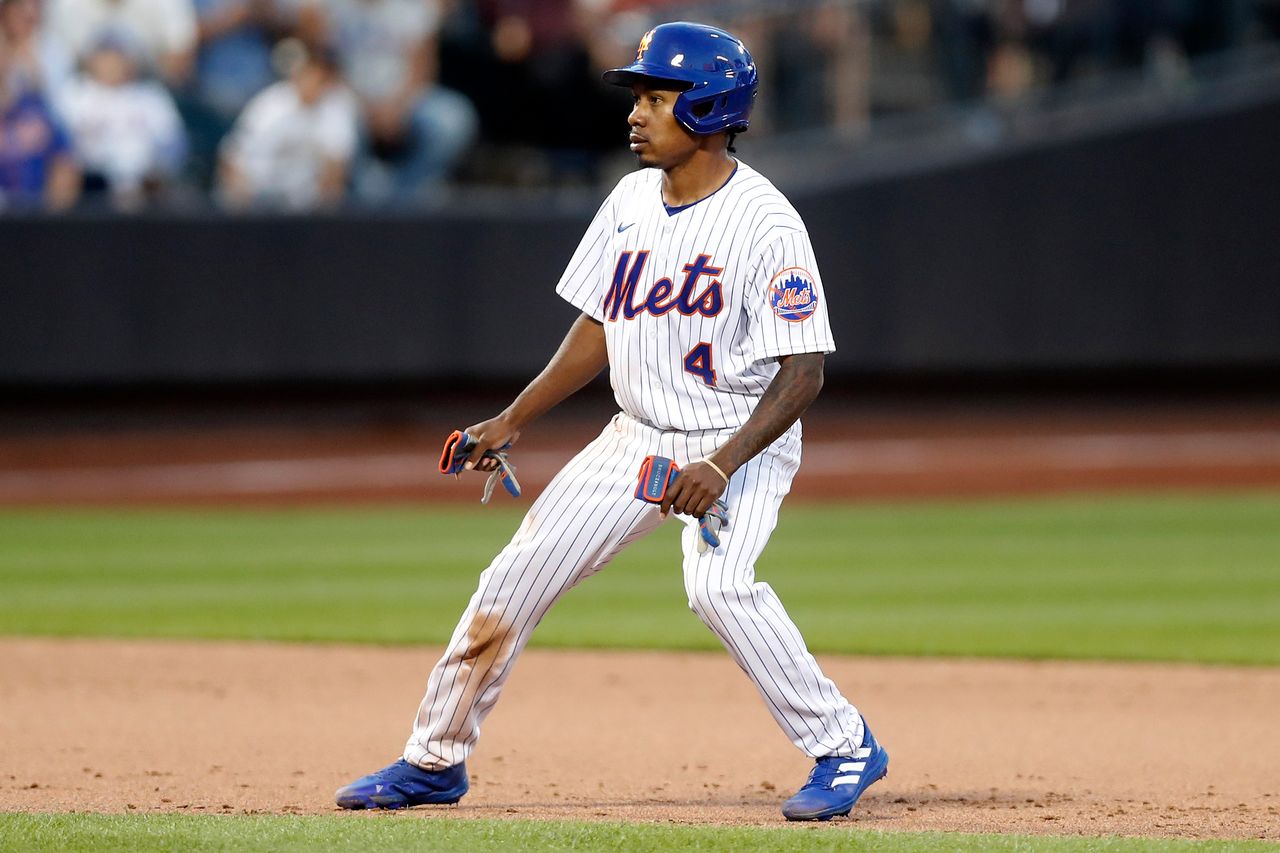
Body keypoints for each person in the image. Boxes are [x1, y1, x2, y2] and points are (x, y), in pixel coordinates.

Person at [333, 22, 888, 822]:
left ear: (710, 107)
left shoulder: (768, 224)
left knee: (719, 588)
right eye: (638, 97)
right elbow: (598, 327)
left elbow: (803, 372)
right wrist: (512, 418)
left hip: (739, 435)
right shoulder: (630, 199)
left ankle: (845, 744)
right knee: (509, 583)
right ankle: (434, 758)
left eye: (657, 98)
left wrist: (724, 464)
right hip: (637, 438)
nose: (636, 113)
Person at [217, 44, 356, 210]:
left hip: (306, 204)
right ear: (299, 74)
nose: (314, 81)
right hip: (259, 197)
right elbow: (231, 155)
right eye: (310, 73)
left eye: (321, 77)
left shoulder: (336, 108)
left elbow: (337, 168)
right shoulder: (270, 104)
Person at [61, 31, 186, 209]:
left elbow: (174, 147)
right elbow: (62, 146)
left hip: (144, 187)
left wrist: (152, 168)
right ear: (92, 60)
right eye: (105, 55)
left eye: (119, 56)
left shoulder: (152, 96)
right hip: (91, 182)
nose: (112, 63)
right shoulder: (75, 93)